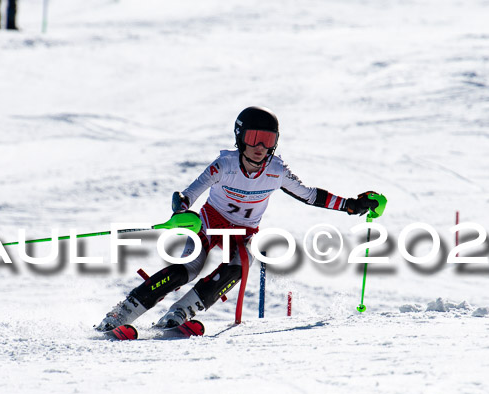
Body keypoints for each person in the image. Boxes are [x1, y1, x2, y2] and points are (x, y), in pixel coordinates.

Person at [95, 106, 380, 331]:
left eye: (268, 140)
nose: (260, 147)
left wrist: (350, 206)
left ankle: (180, 311)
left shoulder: (277, 170)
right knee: (186, 269)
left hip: (243, 233)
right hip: (209, 224)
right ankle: (122, 312)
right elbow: (191, 192)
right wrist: (181, 208)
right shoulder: (225, 164)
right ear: (240, 138)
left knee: (241, 264)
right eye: (254, 138)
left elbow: (309, 195)